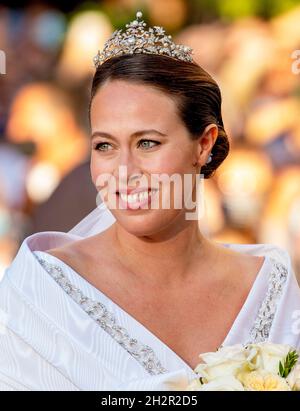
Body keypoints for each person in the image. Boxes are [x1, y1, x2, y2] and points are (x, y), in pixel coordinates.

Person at [0, 11, 299, 391]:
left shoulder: (269, 285)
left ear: (203, 144)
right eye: (104, 146)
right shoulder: (40, 289)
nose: (124, 170)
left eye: (147, 143)